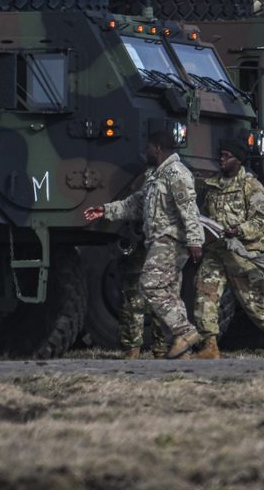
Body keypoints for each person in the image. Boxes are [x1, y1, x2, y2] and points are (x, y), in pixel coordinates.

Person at [84, 129, 204, 359]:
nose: (144, 151)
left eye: (147, 147)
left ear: (157, 148)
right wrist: (106, 210)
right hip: (157, 239)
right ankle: (183, 351)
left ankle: (185, 331)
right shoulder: (155, 175)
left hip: (170, 240)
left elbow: (189, 210)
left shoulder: (177, 173)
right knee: (168, 292)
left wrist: (195, 240)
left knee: (150, 285)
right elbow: (135, 204)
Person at [193, 140, 264, 359]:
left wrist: (238, 230)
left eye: (226, 155)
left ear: (238, 160)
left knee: (252, 301)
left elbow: (260, 222)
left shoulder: (251, 187)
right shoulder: (212, 185)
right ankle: (209, 345)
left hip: (242, 254)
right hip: (216, 252)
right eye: (220, 155)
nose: (221, 159)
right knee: (204, 294)